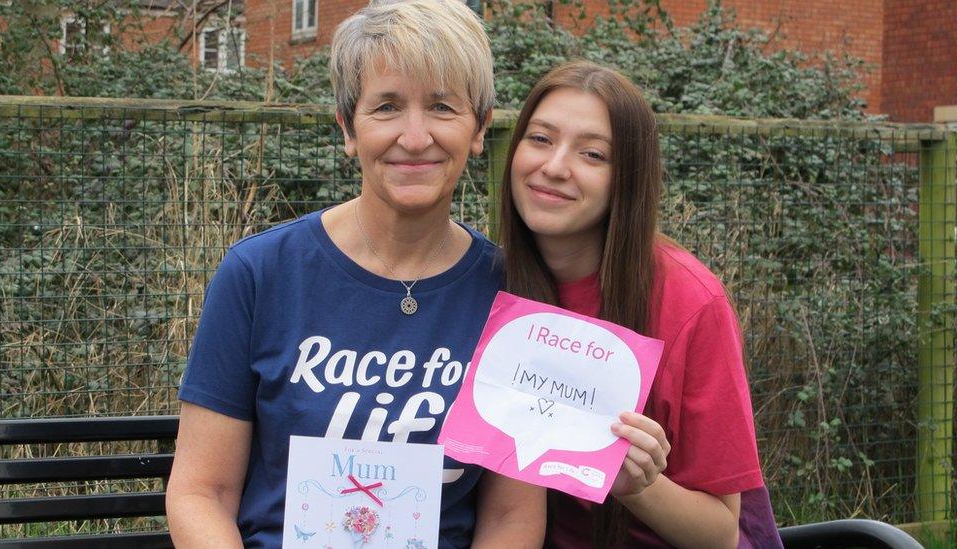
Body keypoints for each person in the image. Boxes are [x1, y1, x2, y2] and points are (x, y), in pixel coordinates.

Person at [165, 1, 545, 547]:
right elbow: (201, 492)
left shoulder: (512, 294)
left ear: (480, 126)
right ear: (348, 126)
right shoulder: (260, 274)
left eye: (442, 106)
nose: (415, 138)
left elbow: (512, 519)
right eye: (387, 107)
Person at [499, 60, 782, 548]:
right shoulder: (490, 282)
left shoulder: (691, 301)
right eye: (541, 139)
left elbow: (722, 534)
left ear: (626, 179)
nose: (554, 166)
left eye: (592, 154)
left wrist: (639, 487)